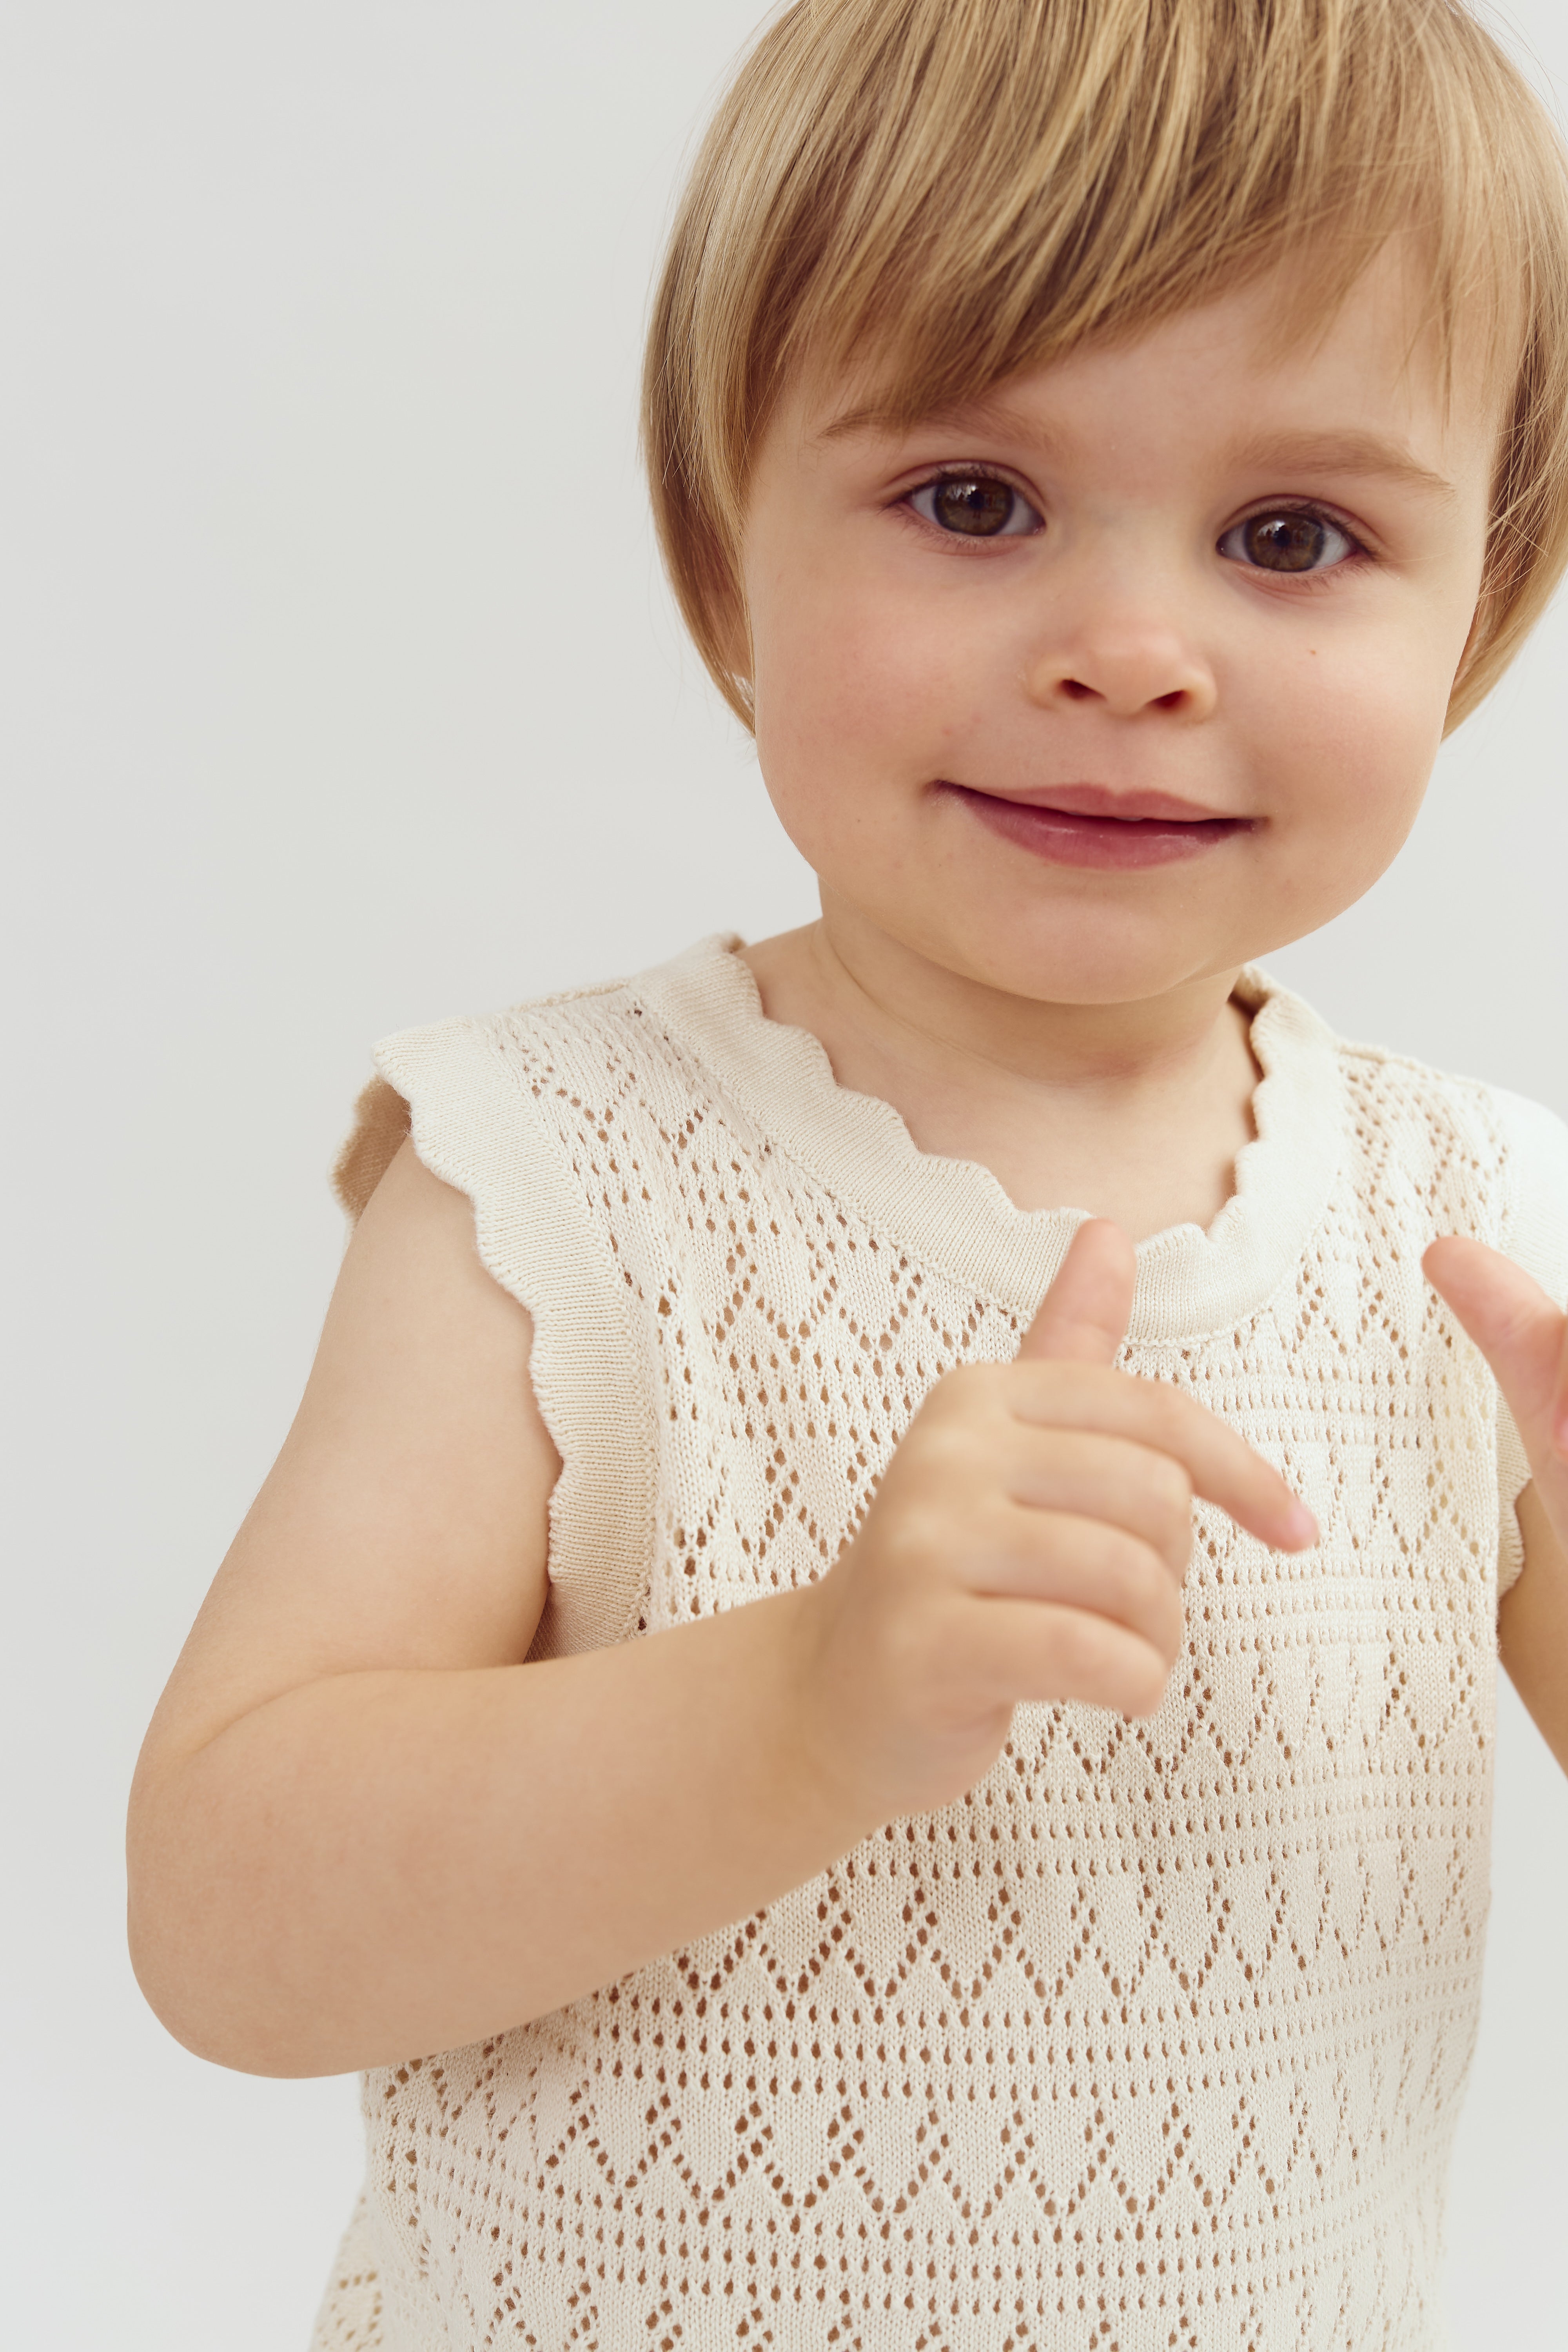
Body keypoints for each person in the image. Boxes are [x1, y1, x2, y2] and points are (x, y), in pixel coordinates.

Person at [127, 0, 1568, 2344]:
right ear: (727, 566)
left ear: (1475, 620)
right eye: (974, 502)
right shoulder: (549, 1183)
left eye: (1294, 535)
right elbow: (224, 1928)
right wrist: (804, 1702)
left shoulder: (1486, 1233)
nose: (1130, 650)